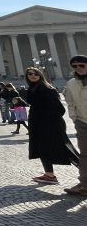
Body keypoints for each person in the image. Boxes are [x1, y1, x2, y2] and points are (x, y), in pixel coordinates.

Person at [25, 65, 79, 186]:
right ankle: (49, 175)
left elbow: (59, 109)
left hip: (50, 125)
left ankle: (84, 171)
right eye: (30, 74)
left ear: (40, 75)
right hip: (39, 125)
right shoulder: (33, 88)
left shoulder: (46, 88)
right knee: (42, 149)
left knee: (66, 149)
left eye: (36, 73)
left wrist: (44, 119)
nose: (33, 75)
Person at [63, 55, 87, 196]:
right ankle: (84, 185)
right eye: (75, 66)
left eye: (81, 65)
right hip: (82, 122)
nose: (78, 68)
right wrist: (75, 118)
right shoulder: (71, 83)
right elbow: (70, 102)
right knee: (85, 155)